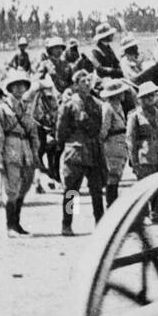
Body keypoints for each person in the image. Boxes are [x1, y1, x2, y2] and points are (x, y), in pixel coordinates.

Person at [56, 69, 107, 234]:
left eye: (88, 81)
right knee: (72, 191)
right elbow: (61, 131)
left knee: (97, 191)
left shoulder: (97, 104)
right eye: (82, 81)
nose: (86, 83)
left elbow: (100, 126)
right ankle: (67, 224)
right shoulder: (70, 105)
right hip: (76, 153)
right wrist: (67, 143)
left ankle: (100, 224)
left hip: (94, 151)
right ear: (76, 85)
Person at [0, 69, 40, 237]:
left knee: (24, 188)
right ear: (10, 88)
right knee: (12, 189)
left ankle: (18, 224)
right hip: (11, 150)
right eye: (16, 85)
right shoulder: (2, 108)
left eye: (22, 85)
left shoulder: (27, 107)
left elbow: (33, 132)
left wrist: (36, 153)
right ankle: (10, 226)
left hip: (26, 151)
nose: (20, 89)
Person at [127, 82, 158, 221]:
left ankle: (156, 213)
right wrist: (134, 161)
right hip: (144, 155)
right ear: (141, 99)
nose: (150, 99)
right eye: (146, 96)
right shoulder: (135, 116)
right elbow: (131, 140)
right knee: (145, 186)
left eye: (152, 95)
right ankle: (142, 214)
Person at [98, 79, 131, 207]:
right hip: (111, 145)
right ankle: (68, 220)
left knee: (115, 177)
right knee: (72, 188)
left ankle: (111, 207)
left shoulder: (117, 106)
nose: (123, 94)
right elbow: (104, 130)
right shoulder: (108, 108)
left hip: (118, 145)